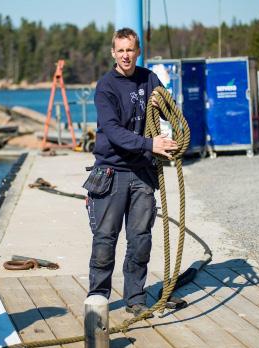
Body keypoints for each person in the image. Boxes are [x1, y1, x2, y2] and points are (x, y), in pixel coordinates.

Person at [83, 27, 178, 317]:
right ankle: (98, 297)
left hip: (142, 173)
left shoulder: (148, 79)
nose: (126, 55)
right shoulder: (106, 87)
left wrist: (161, 104)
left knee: (141, 239)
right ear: (113, 52)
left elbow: (169, 111)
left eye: (130, 50)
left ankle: (135, 299)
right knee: (105, 238)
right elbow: (112, 132)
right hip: (111, 171)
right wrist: (151, 143)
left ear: (137, 52)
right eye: (120, 50)